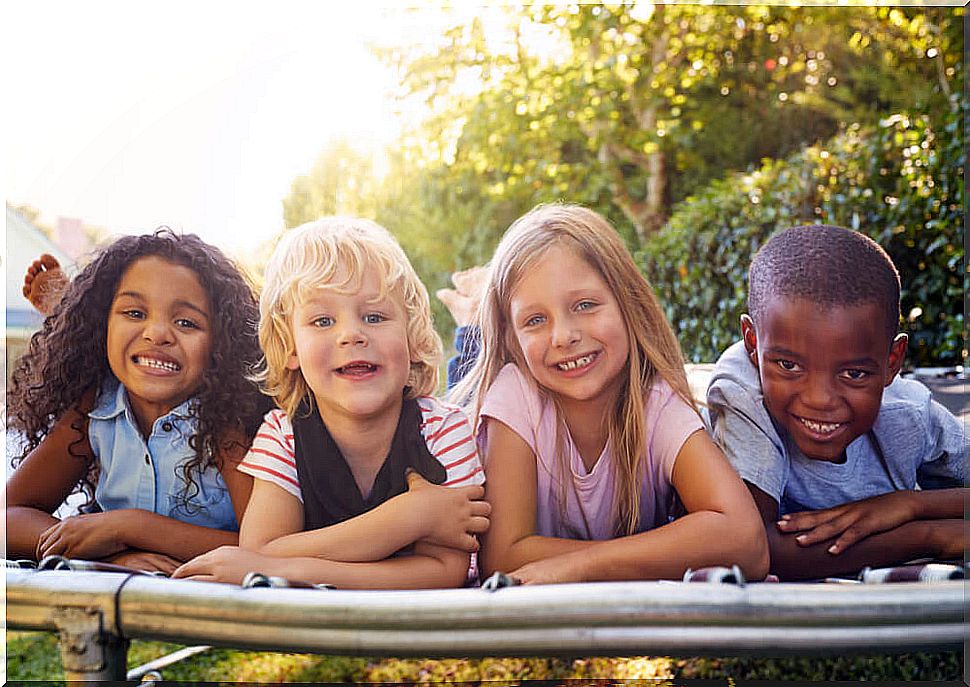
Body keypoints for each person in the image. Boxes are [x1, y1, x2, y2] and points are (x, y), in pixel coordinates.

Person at [450, 203, 768, 585]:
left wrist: (581, 566)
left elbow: (747, 541)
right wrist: (658, 554)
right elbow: (502, 557)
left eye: (585, 305)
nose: (563, 335)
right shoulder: (516, 396)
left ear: (628, 304)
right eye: (535, 320)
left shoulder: (658, 404)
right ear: (514, 341)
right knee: (466, 375)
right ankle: (471, 315)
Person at [174, 217, 489, 588]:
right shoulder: (284, 434)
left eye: (374, 316)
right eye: (322, 321)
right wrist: (407, 518)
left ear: (412, 336)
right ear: (290, 347)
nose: (351, 334)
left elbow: (445, 572)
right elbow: (261, 549)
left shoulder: (444, 430)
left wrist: (292, 568)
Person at [705, 224, 967, 580]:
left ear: (892, 361)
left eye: (854, 374)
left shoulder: (908, 412)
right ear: (752, 343)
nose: (820, 400)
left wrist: (909, 505)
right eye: (789, 365)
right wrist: (928, 535)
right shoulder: (742, 394)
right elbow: (751, 546)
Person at [6, 230, 270, 574]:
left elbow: (264, 546)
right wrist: (105, 555)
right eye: (134, 313)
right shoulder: (94, 411)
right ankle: (68, 307)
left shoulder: (225, 425)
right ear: (99, 326)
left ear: (222, 346)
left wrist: (129, 526)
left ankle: (66, 303)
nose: (157, 333)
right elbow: (8, 517)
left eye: (186, 322)